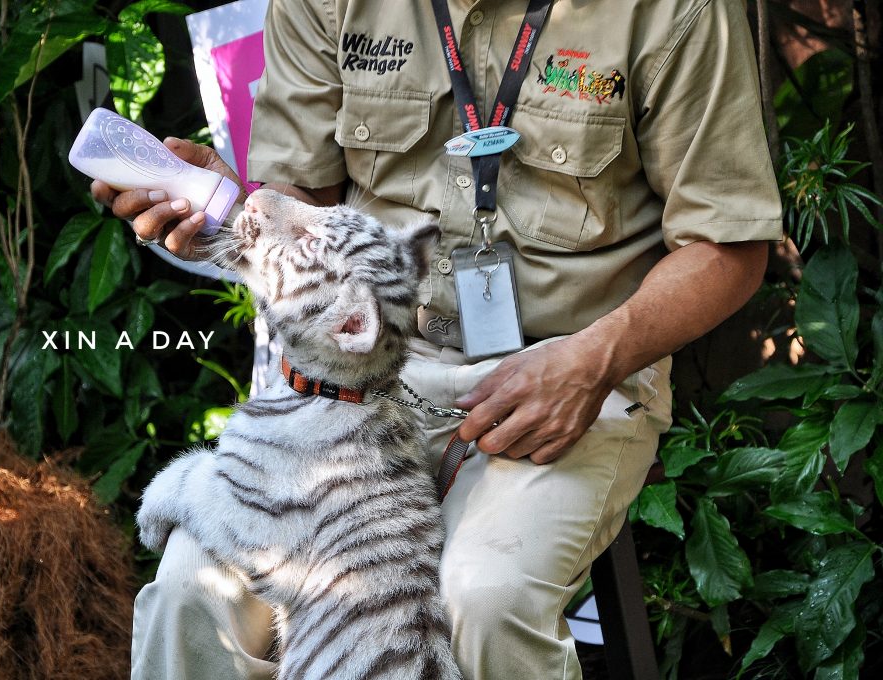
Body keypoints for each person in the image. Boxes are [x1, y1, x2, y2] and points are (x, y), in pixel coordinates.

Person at [93, 0, 783, 677]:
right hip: (363, 373)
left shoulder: (673, 11)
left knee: (481, 600)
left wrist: (593, 360)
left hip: (572, 369)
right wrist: (230, 214)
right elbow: (299, 193)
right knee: (193, 595)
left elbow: (729, 247)